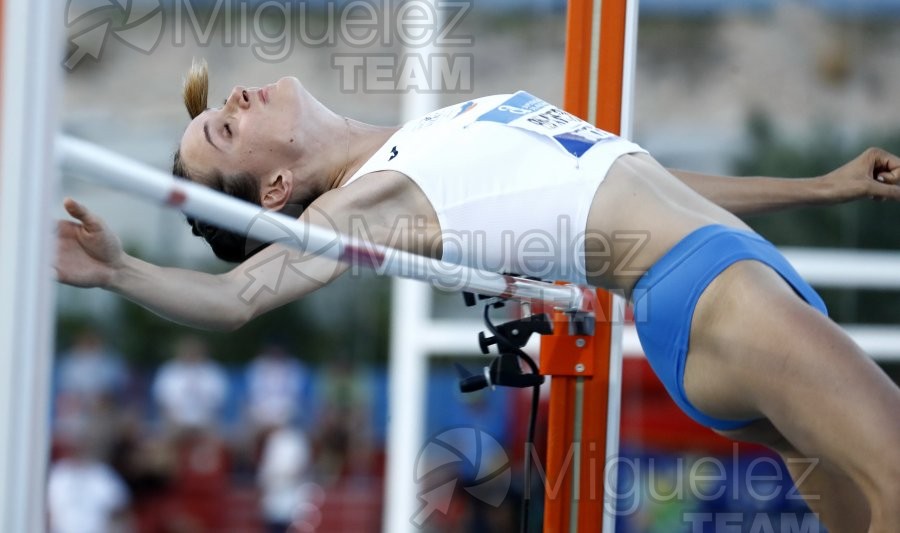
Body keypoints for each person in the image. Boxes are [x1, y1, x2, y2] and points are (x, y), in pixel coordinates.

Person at [56, 60, 900, 532]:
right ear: (276, 187)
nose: (234, 99)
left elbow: (638, 175)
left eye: (220, 113)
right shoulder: (367, 201)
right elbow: (239, 298)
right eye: (226, 132)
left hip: (728, 262)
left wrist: (822, 188)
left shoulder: (426, 132)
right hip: (706, 293)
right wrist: (121, 271)